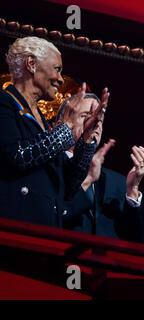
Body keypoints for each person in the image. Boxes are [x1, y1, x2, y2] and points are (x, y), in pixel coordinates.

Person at [0, 36, 108, 227]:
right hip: (15, 230)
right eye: (57, 69)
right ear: (32, 64)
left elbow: (68, 187)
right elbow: (19, 156)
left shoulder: (43, 121)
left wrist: (87, 140)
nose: (60, 79)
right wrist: (65, 128)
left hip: (48, 232)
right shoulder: (4, 102)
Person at [57, 94, 144, 243]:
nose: (96, 123)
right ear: (64, 123)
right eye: (87, 115)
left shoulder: (119, 183)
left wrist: (132, 192)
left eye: (100, 118)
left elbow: (138, 242)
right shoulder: (50, 169)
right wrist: (87, 180)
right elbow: (53, 218)